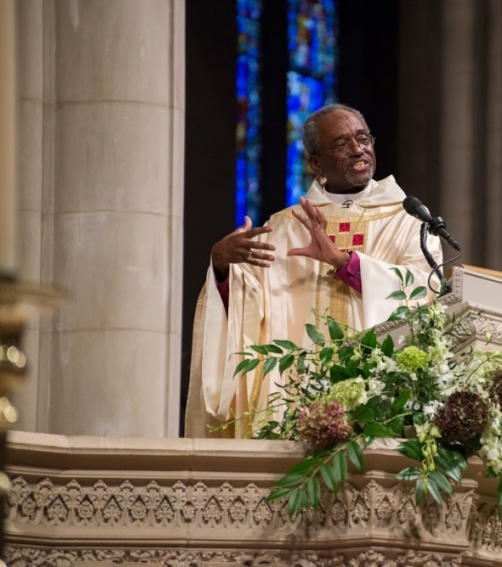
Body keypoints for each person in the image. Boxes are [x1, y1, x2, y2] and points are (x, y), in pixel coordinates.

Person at [185, 104, 442, 438]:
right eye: (342, 144)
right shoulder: (282, 228)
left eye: (363, 138)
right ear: (316, 163)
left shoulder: (409, 220)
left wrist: (346, 264)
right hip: (294, 399)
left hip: (380, 397)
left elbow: (427, 291)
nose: (358, 149)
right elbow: (246, 310)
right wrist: (221, 265)